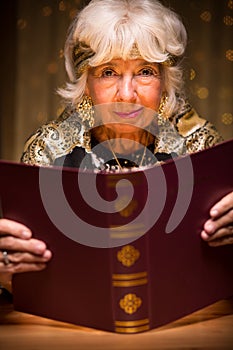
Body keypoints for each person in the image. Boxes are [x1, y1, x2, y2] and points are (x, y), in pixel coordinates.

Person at [0, 0, 233, 294]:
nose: (126, 94)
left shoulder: (199, 145)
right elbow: (23, 278)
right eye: (108, 72)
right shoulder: (49, 151)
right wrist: (9, 272)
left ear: (165, 81)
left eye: (145, 71)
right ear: (86, 84)